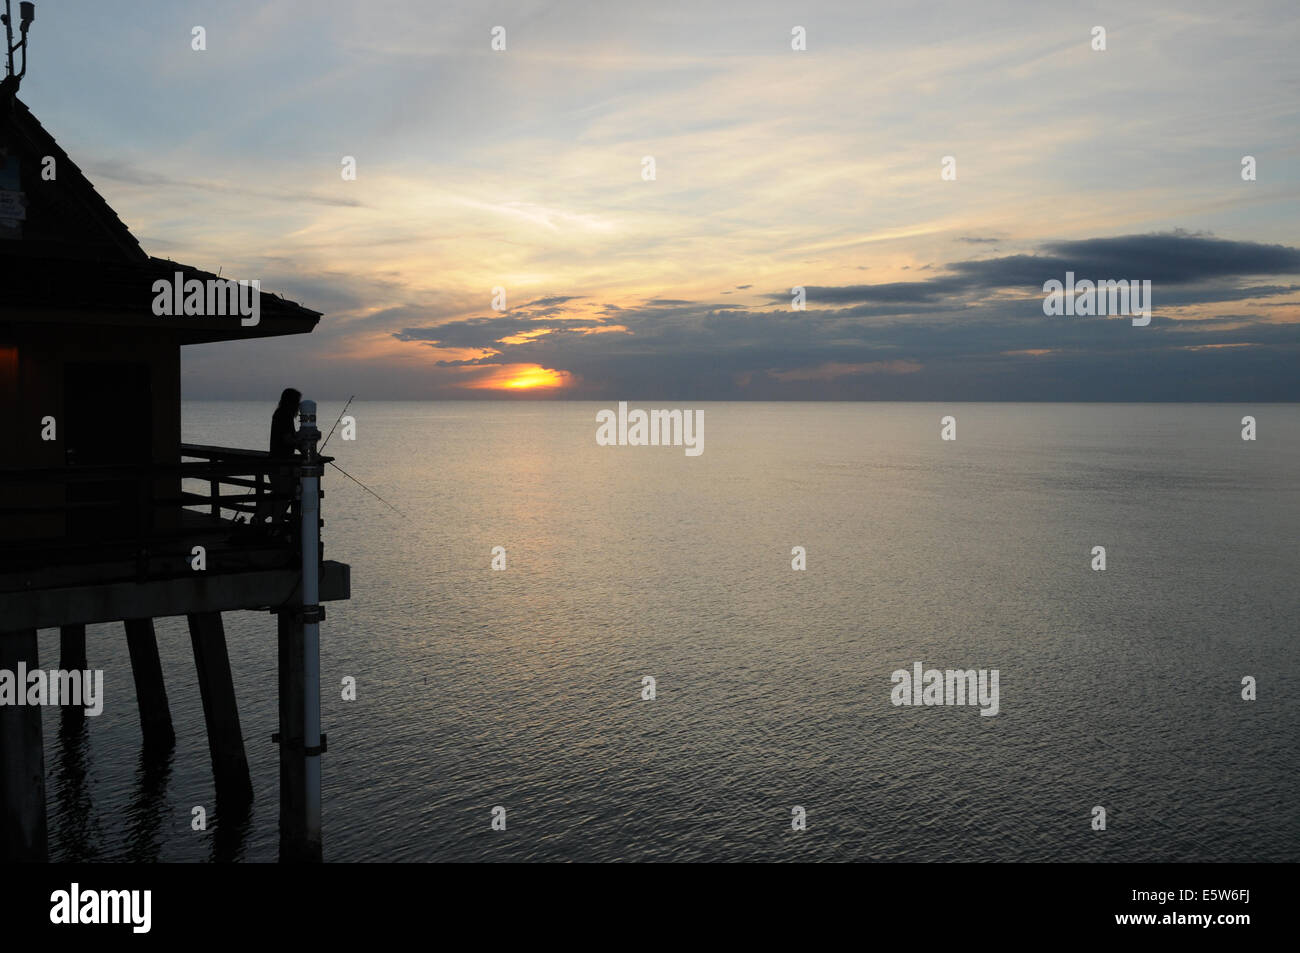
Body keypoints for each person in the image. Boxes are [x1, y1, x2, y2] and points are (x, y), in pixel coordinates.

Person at [267, 387, 302, 527]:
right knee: (285, 494)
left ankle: (260, 517)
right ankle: (276, 522)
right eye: (297, 402)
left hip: (274, 461)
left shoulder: (279, 413)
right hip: (281, 463)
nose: (299, 405)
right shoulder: (285, 416)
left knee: (278, 492)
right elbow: (288, 439)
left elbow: (288, 439)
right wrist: (300, 440)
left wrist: (301, 447)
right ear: (292, 402)